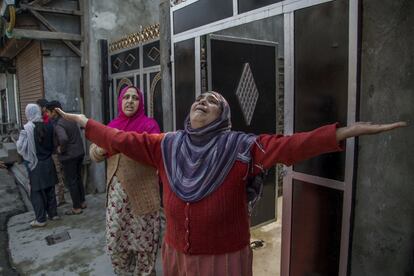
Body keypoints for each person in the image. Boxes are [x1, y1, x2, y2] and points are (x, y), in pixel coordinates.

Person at [56, 91, 406, 275]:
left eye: (213, 102)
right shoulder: (167, 144)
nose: (202, 102)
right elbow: (120, 140)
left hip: (223, 260)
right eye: (200, 98)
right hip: (177, 253)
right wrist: (85, 121)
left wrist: (344, 132)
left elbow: (289, 147)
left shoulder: (240, 146)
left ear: (222, 117)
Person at [89, 86, 162, 275]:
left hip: (143, 197)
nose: (130, 101)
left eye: (135, 98)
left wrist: (118, 144)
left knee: (144, 244)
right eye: (126, 97)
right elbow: (95, 153)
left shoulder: (149, 126)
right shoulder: (112, 125)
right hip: (117, 198)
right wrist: (99, 150)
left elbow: (154, 152)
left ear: (141, 103)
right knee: (116, 241)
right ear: (120, 101)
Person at [16, 104, 59, 227]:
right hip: (49, 162)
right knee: (50, 189)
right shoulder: (49, 126)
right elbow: (53, 144)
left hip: (35, 164)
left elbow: (20, 147)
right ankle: (53, 214)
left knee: (37, 192)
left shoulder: (27, 129)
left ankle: (40, 219)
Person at [46, 100, 86, 215]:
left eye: (49, 112)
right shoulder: (69, 118)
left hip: (69, 156)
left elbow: (63, 138)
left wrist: (60, 149)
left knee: (72, 181)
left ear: (54, 111)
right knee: (78, 178)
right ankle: (82, 202)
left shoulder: (59, 124)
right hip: (79, 152)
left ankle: (76, 207)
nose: (48, 115)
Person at [37, 98, 67, 206]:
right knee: (58, 175)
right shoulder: (51, 119)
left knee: (58, 175)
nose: (44, 112)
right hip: (53, 151)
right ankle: (60, 197)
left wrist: (59, 148)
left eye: (40, 108)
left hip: (55, 152)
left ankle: (61, 198)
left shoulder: (52, 121)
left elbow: (60, 138)